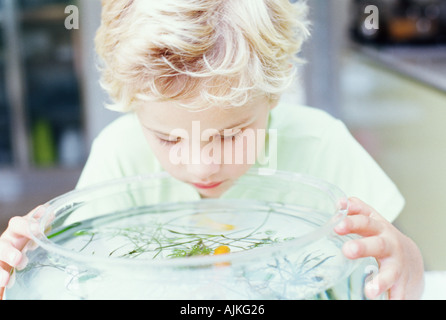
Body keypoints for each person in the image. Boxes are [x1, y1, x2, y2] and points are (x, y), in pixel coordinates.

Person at [0, 0, 424, 300]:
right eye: (168, 139)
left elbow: (395, 269)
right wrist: (17, 270)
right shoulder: (119, 154)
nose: (201, 164)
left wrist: (405, 260)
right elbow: (82, 281)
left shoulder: (321, 144)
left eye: (229, 134)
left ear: (273, 95)